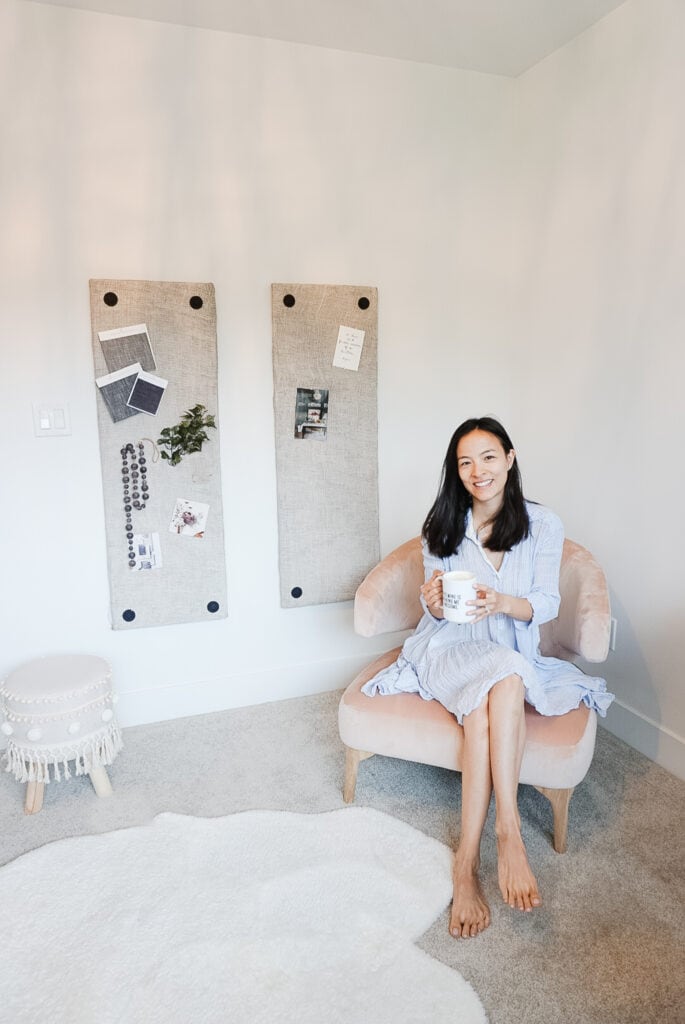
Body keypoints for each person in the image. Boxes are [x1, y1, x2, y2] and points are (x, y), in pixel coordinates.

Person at [362, 417, 614, 939]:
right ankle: (510, 832)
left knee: (488, 704)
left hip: (508, 648)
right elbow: (437, 610)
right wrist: (429, 601)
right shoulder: (442, 526)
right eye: (465, 462)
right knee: (505, 677)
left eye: (488, 457)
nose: (478, 471)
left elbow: (546, 604)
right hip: (449, 649)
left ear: (510, 458)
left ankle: (467, 861)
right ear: (456, 471)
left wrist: (500, 602)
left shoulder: (543, 525)